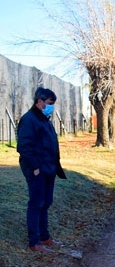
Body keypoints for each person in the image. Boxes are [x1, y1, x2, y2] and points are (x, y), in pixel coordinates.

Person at [17, 87, 67, 252]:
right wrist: (35, 168)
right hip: (37, 170)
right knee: (36, 204)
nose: (52, 106)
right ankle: (35, 242)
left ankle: (45, 238)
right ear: (39, 102)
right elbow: (24, 147)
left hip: (49, 169)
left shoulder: (45, 119)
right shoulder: (29, 120)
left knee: (45, 203)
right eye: (49, 103)